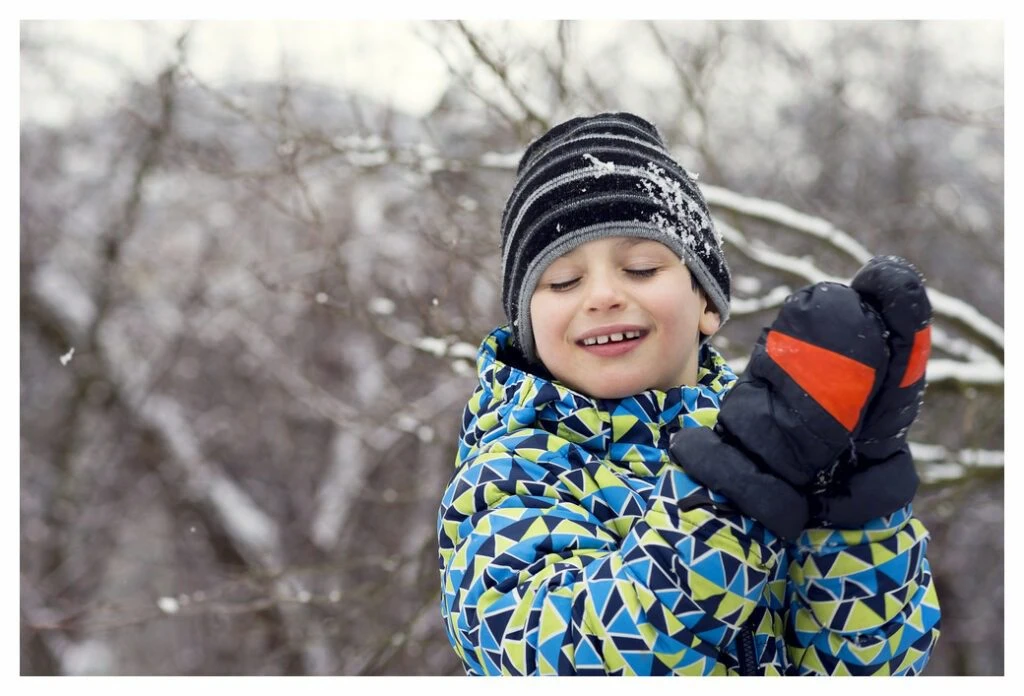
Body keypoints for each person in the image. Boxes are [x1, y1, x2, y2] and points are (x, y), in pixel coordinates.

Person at [436, 112, 941, 675]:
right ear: (529, 328)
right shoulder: (509, 474)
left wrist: (857, 498)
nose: (602, 295)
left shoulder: (784, 438)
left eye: (641, 267)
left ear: (706, 302)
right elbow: (576, 659)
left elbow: (869, 669)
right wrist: (734, 488)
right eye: (563, 281)